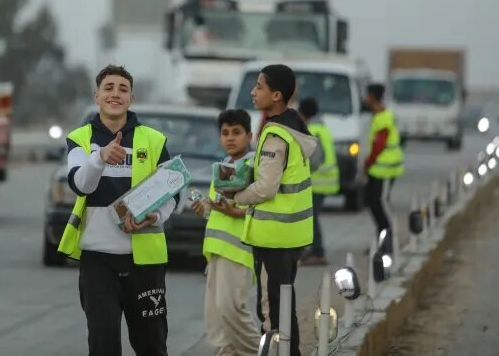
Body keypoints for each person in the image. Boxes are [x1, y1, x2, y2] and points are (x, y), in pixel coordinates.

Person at [58, 65, 174, 356]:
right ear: (96, 96)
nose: (115, 94)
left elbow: (172, 191)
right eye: (108, 88)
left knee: (152, 346)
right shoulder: (79, 138)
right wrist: (100, 157)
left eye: (123, 89)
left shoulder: (154, 140)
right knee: (103, 343)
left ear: (131, 98)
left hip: (145, 263)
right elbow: (81, 185)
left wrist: (155, 216)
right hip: (98, 261)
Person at [226, 64, 317, 356]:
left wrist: (238, 195)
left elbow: (266, 187)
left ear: (276, 95)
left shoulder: (276, 134)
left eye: (259, 86)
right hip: (292, 234)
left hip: (273, 236)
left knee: (270, 310)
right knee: (284, 303)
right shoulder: (295, 126)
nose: (253, 92)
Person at [191, 109, 261, 356]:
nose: (230, 138)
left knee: (231, 309)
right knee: (215, 317)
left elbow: (258, 208)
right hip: (215, 250)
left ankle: (260, 352)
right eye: (225, 133)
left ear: (249, 136)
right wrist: (204, 208)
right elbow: (216, 208)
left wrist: (234, 212)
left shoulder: (254, 166)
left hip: (238, 251)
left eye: (236, 132)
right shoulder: (222, 167)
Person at [298, 98, 339, 266]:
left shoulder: (311, 130)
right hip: (326, 180)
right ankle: (311, 249)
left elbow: (314, 161)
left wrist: (301, 172)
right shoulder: (322, 128)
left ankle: (318, 252)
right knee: (311, 217)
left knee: (311, 218)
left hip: (317, 181)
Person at [362, 83, 404, 242]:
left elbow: (379, 144)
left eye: (367, 96)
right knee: (372, 203)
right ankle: (382, 239)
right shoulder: (378, 115)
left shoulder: (384, 117)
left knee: (381, 203)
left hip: (386, 168)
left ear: (373, 97)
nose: (365, 99)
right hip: (378, 169)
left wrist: (369, 162)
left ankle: (389, 241)